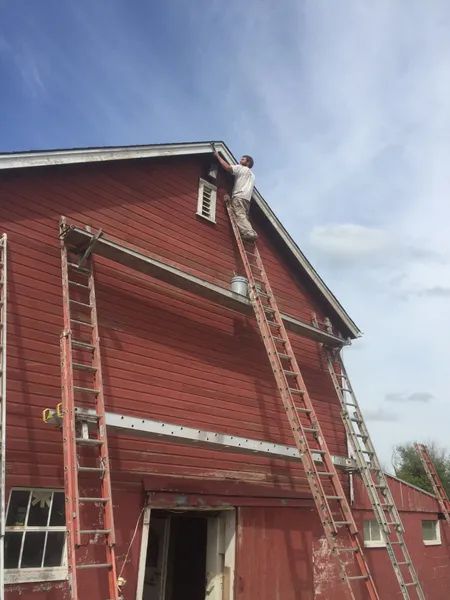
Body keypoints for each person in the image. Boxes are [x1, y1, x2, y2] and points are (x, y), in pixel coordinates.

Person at [213, 149, 257, 241]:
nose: (240, 160)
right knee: (242, 216)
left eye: (243, 159)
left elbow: (228, 167)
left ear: (248, 162)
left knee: (239, 215)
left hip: (239, 196)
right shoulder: (252, 175)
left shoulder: (241, 168)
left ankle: (249, 232)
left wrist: (218, 156)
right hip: (247, 199)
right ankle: (246, 231)